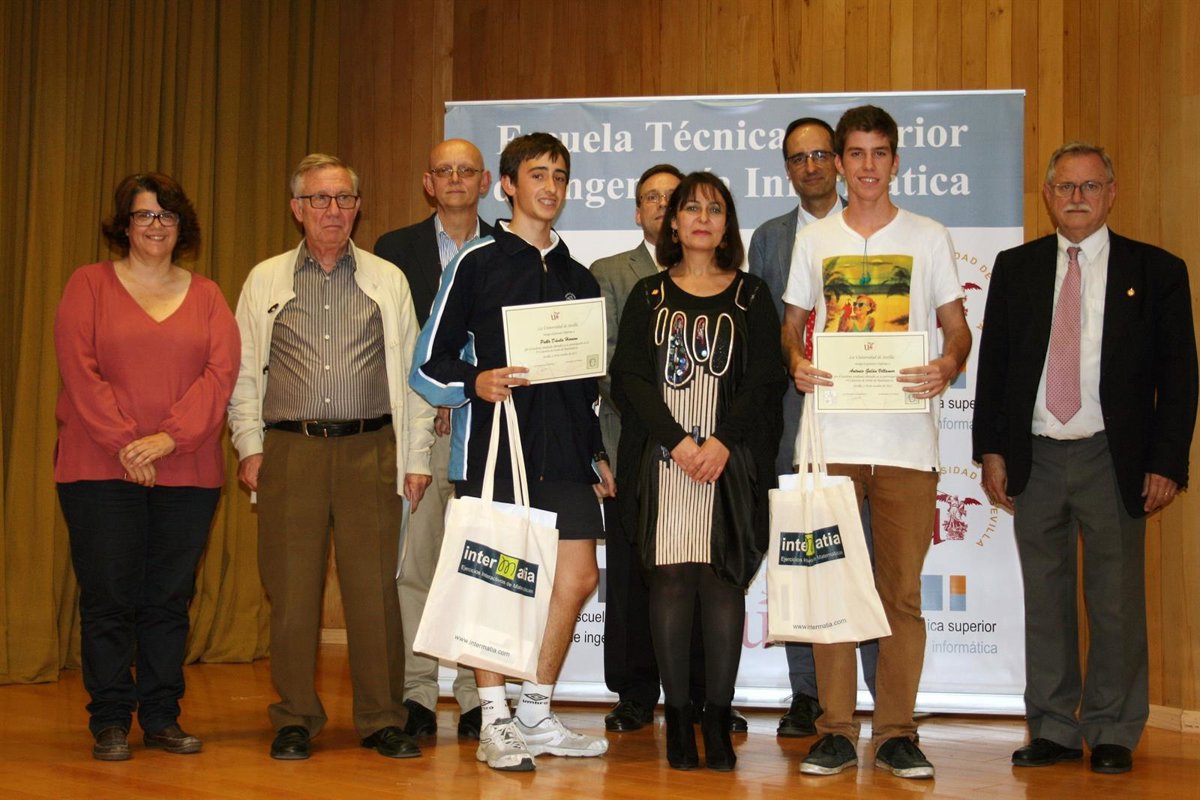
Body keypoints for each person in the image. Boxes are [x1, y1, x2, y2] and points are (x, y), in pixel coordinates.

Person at [972, 141, 1198, 775]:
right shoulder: (1016, 267)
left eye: (1090, 186)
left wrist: (1167, 462)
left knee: (1115, 599)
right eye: (1065, 187)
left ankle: (1113, 728)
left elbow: (1180, 377)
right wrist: (991, 449)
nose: (1077, 198)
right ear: (1048, 195)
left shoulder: (1157, 270)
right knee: (1044, 597)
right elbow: (995, 366)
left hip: (1112, 457)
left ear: (1111, 194)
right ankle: (1053, 728)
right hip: (1035, 456)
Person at [410, 132, 614, 772]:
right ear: (507, 185)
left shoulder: (579, 276)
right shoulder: (476, 262)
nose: (550, 187)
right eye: (537, 174)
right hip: (497, 451)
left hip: (567, 456)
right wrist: (476, 382)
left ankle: (535, 712)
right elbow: (427, 364)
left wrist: (596, 454)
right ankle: (495, 720)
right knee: (495, 586)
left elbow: (584, 383)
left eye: (560, 176)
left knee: (578, 578)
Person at [781, 105, 971, 779]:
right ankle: (834, 730)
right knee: (831, 588)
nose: (867, 166)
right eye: (855, 154)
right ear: (839, 163)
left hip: (906, 443)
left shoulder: (929, 236)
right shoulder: (816, 239)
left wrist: (947, 364)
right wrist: (796, 360)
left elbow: (956, 328)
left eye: (878, 153)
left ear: (895, 161)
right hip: (830, 438)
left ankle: (895, 732)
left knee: (901, 597)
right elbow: (793, 322)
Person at [228, 154, 435, 761]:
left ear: (358, 208)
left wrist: (417, 456)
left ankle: (381, 717)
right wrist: (249, 445)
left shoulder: (386, 279)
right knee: (292, 592)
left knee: (375, 592)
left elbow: (414, 374)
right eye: (320, 199)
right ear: (297, 208)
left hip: (371, 449)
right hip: (290, 451)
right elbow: (243, 373)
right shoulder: (265, 279)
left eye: (344, 199)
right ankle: (295, 717)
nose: (333, 210)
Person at [54, 172, 240, 761]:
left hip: (187, 471)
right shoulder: (87, 285)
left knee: (168, 600)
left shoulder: (208, 295)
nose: (156, 225)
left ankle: (161, 716)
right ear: (125, 225)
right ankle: (110, 719)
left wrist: (167, 439)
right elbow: (79, 371)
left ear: (181, 226)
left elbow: (221, 376)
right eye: (143, 214)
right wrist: (127, 443)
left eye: (166, 215)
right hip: (97, 468)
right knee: (108, 597)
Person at [610, 171, 785, 771]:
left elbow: (765, 380)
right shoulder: (648, 296)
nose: (702, 219)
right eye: (691, 208)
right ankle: (679, 720)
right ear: (673, 223)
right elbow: (630, 379)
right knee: (671, 583)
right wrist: (680, 443)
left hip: (727, 462)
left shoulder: (752, 295)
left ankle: (717, 717)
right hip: (666, 463)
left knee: (722, 584)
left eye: (714, 209)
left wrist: (721, 443)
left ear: (727, 224)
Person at [747, 115, 878, 738]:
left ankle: (881, 692)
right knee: (802, 557)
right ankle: (809, 695)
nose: (812, 167)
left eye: (822, 154)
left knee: (866, 559)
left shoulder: (872, 229)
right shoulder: (770, 239)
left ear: (842, 162)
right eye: (799, 158)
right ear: (788, 170)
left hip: (867, 419)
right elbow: (765, 333)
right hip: (792, 423)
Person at [373, 138, 493, 741]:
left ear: (486, 182)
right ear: (428, 182)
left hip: (483, 434)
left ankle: (475, 695)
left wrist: (461, 398)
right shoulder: (394, 251)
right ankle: (418, 693)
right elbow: (391, 347)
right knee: (416, 567)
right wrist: (431, 405)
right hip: (416, 436)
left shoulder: (507, 249)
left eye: (466, 170)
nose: (455, 179)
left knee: (476, 568)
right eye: (443, 170)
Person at [591, 163, 679, 733]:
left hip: (699, 455)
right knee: (629, 577)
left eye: (674, 197)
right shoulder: (610, 272)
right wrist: (667, 419)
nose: (663, 206)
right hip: (628, 446)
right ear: (637, 210)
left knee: (695, 574)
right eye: (652, 197)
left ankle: (701, 693)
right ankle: (634, 693)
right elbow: (601, 362)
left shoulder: (718, 275)